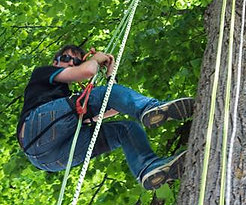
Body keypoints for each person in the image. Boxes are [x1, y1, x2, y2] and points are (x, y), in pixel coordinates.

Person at [17, 45, 194, 190]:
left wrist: (110, 75)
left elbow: (112, 106)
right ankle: (150, 108)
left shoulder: (66, 102)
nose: (72, 62)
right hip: (36, 127)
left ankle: (148, 167)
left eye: (77, 60)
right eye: (66, 58)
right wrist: (94, 60)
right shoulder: (44, 73)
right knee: (92, 97)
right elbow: (87, 72)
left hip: (49, 161)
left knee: (126, 130)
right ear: (55, 62)